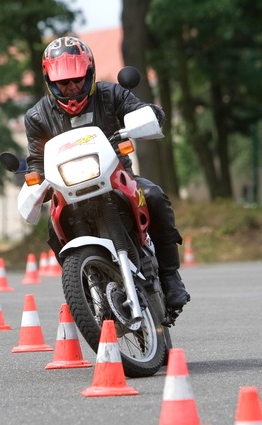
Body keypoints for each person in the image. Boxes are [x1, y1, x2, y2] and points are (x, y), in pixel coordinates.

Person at [23, 36, 190, 319]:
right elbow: (36, 159)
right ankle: (83, 290)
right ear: (50, 82)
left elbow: (141, 112)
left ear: (90, 74)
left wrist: (151, 115)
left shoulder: (112, 94)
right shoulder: (37, 116)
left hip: (118, 177)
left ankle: (171, 276)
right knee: (53, 229)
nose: (72, 87)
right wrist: (33, 177)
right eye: (63, 82)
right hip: (70, 189)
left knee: (154, 196)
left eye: (78, 79)